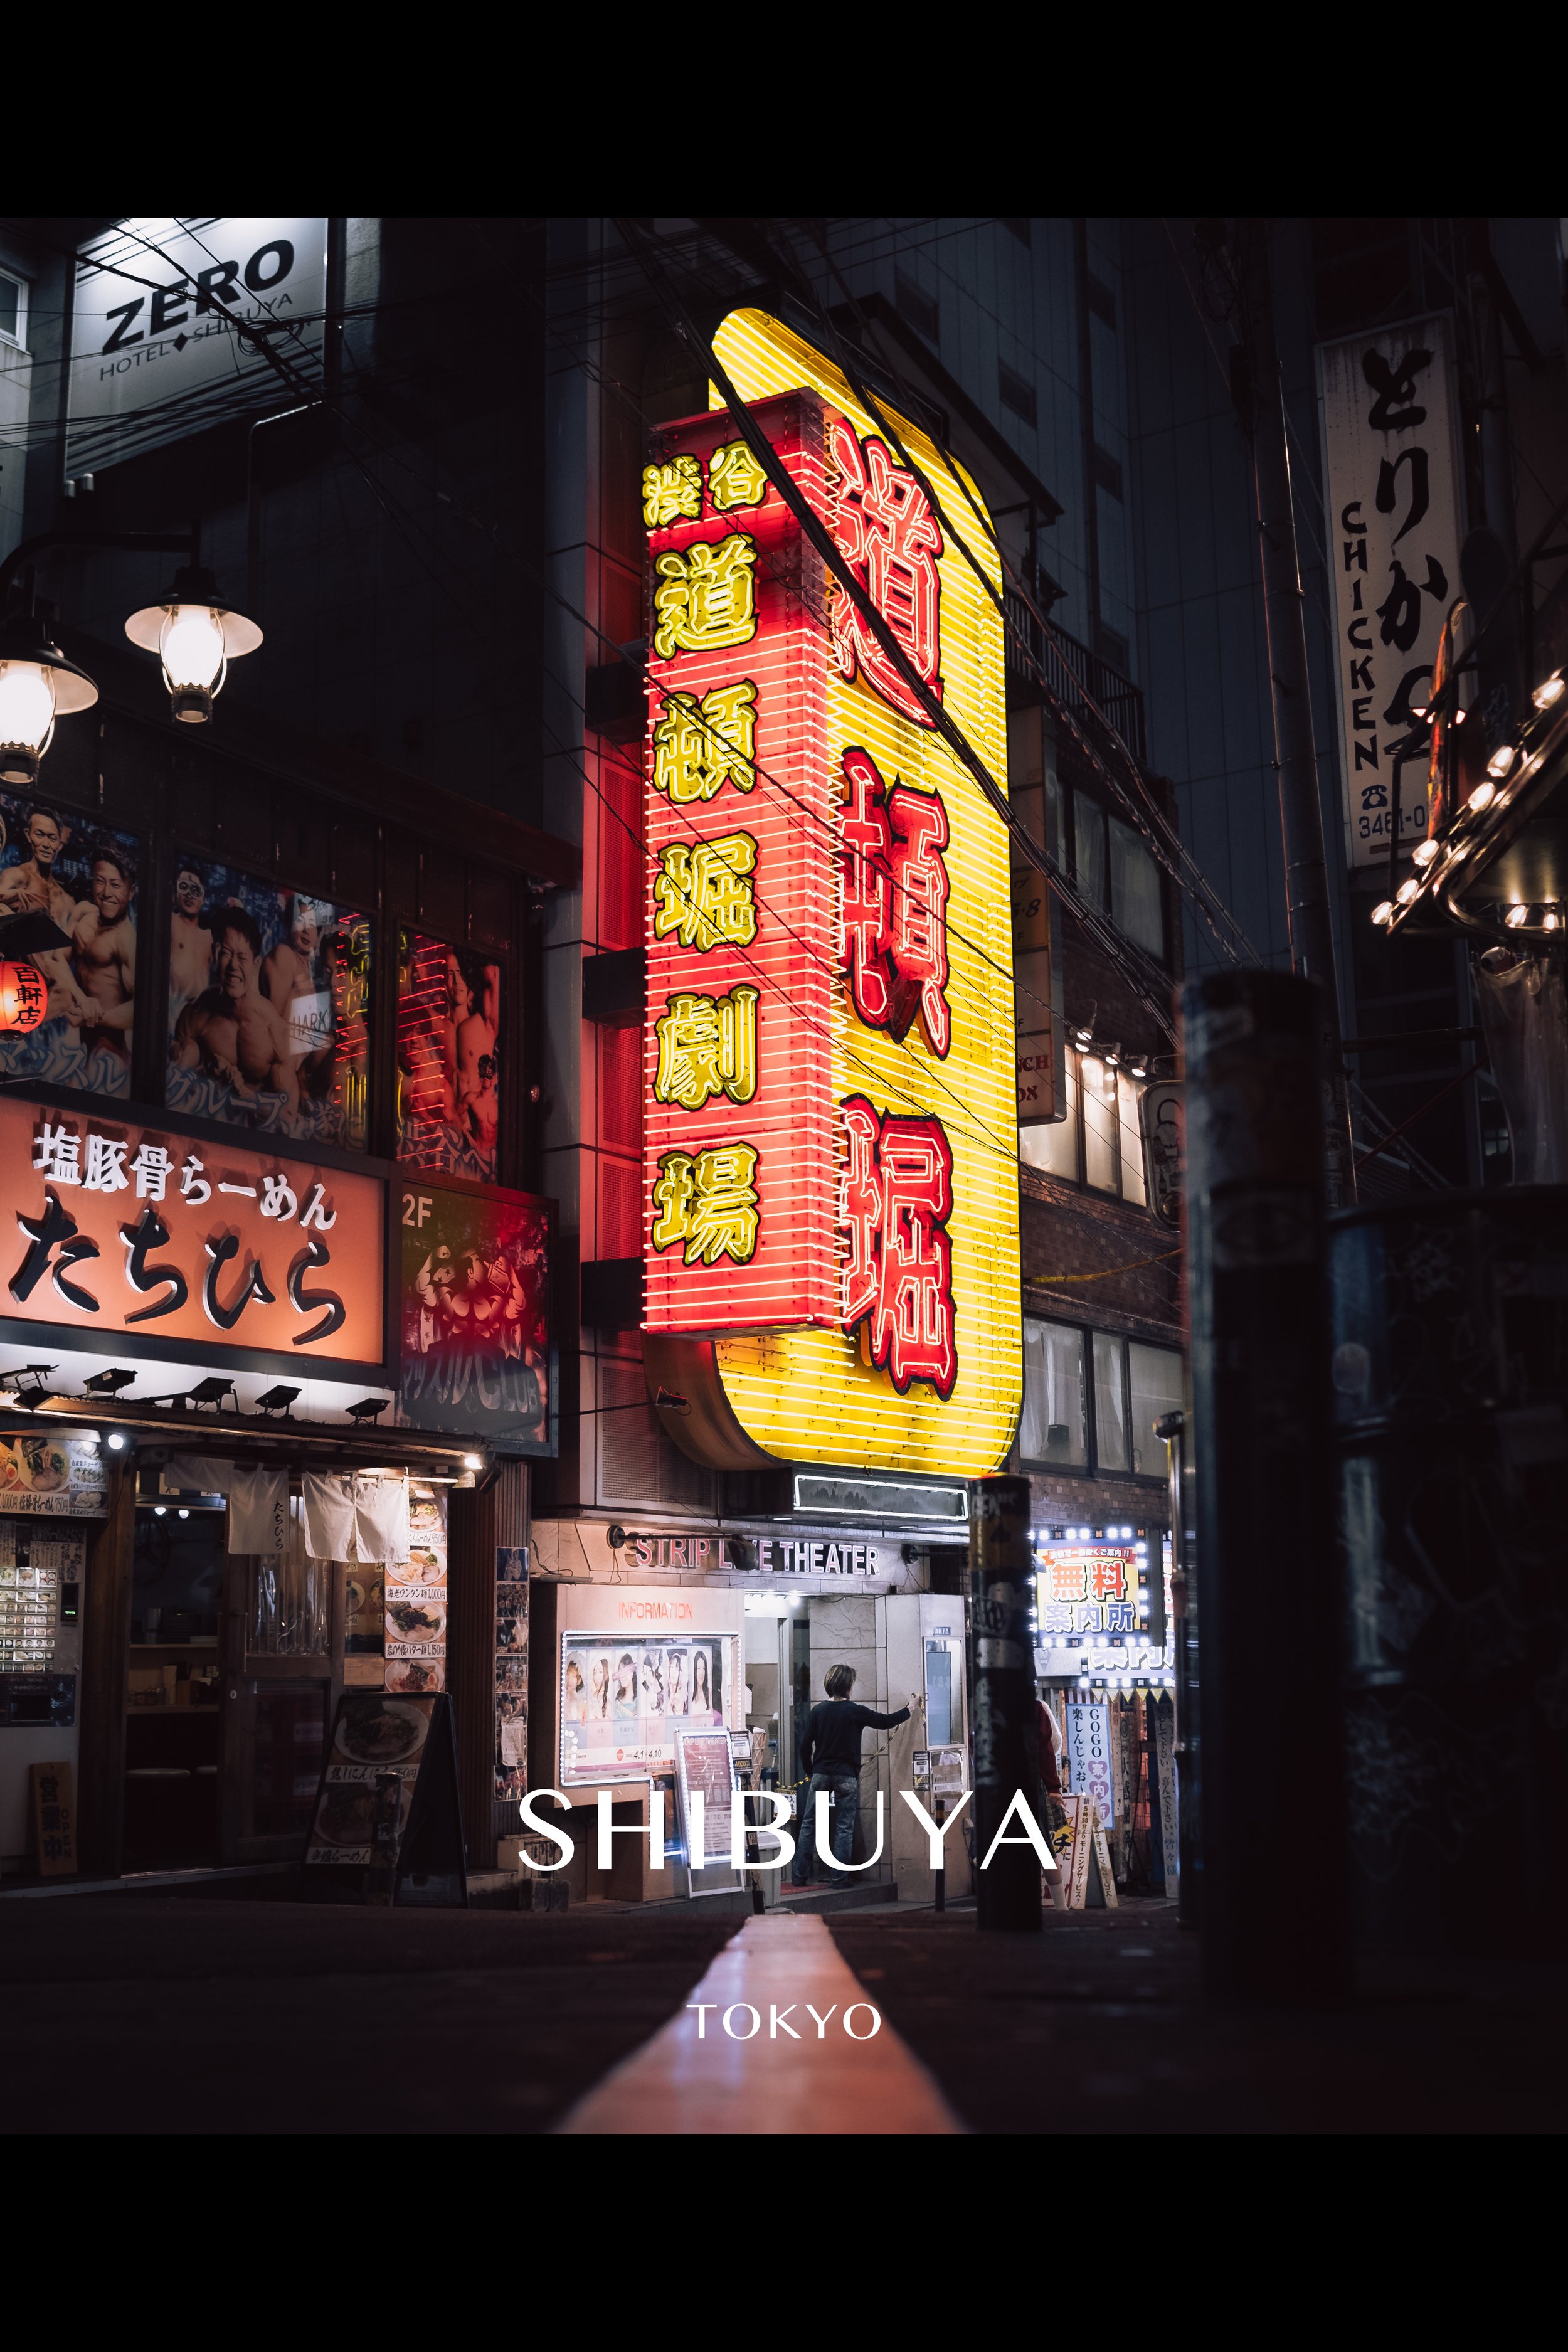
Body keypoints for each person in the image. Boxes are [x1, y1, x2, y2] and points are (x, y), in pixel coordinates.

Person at [790, 1664, 911, 1889]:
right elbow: (885, 1722)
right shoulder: (856, 1711)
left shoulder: (818, 1711)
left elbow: (805, 1746)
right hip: (846, 1775)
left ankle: (799, 1876)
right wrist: (909, 1709)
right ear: (848, 1686)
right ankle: (839, 1878)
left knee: (810, 1825)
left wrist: (810, 1770)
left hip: (821, 1774)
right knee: (844, 1827)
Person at [174, 905, 299, 1116]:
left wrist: (246, 1097)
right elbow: (172, 1089)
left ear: (255, 964)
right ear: (215, 954)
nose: (233, 966)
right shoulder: (196, 1015)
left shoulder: (274, 1031)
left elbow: (288, 1116)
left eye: (242, 958)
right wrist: (207, 1075)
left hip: (253, 1141)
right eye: (226, 954)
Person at [68, 843, 137, 1064]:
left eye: (116, 885)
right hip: (79, 1044)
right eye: (100, 881)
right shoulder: (84, 916)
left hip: (109, 1050)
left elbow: (141, 1008)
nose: (107, 893)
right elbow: (56, 959)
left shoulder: (126, 939)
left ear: (131, 891)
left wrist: (95, 1017)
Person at [168, 864, 213, 1014]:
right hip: (171, 1012)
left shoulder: (209, 937)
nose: (189, 895)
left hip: (197, 1016)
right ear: (176, 894)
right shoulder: (171, 922)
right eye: (183, 887)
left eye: (195, 890)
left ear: (203, 898)